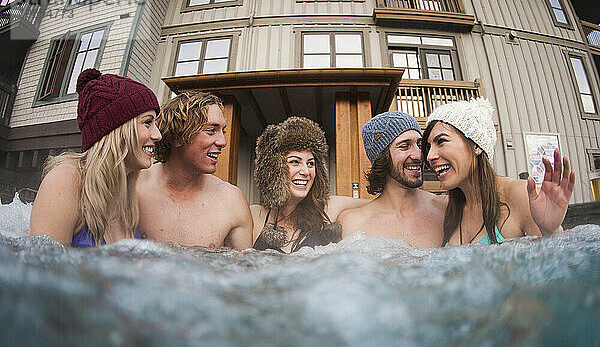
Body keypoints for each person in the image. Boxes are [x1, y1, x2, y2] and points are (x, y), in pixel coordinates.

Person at [29, 69, 162, 247]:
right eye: (148, 122)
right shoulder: (66, 180)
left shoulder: (127, 195)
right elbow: (40, 269)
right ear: (116, 129)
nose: (158, 134)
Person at [422, 97, 575, 246]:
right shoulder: (450, 209)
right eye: (429, 147)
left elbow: (559, 267)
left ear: (476, 145)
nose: (430, 156)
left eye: (441, 141)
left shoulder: (519, 195)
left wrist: (551, 232)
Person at [136, 91, 253, 249]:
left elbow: (244, 270)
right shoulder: (133, 187)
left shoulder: (232, 200)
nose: (223, 142)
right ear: (177, 136)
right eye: (211, 130)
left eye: (223, 131)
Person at [251, 116, 368, 253]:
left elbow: (381, 205)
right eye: (295, 162)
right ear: (274, 168)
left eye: (311, 163)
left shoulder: (329, 208)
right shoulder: (255, 216)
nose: (306, 171)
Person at [338, 111, 447, 247]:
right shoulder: (354, 222)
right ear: (382, 158)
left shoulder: (446, 208)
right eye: (404, 146)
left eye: (419, 145)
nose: (419, 155)